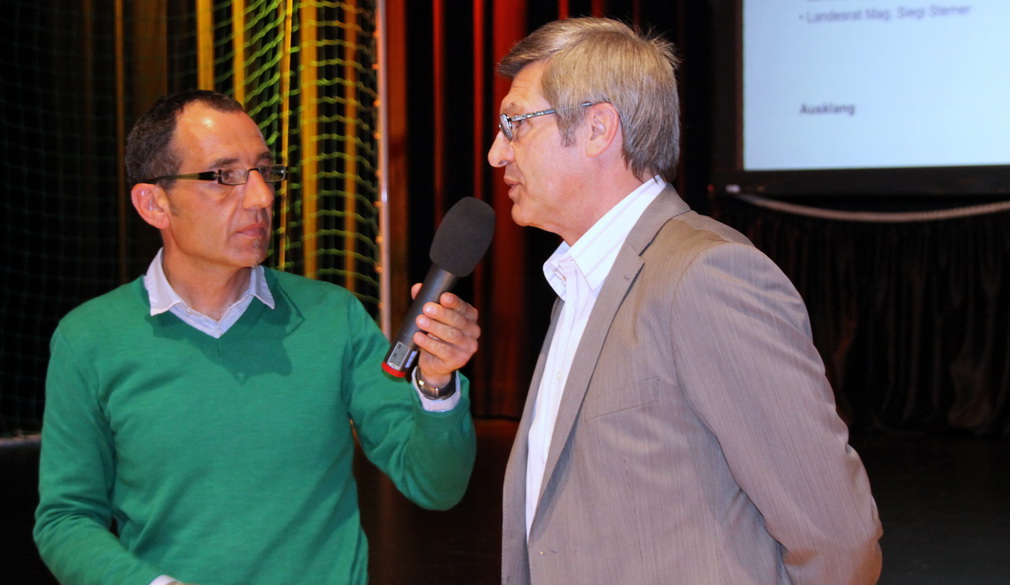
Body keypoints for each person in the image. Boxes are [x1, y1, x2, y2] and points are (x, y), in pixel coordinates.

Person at [487, 17, 883, 585]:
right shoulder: (580, 279)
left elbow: (835, 533)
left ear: (598, 129)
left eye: (517, 123)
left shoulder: (704, 276)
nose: (497, 152)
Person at [34, 89, 479, 585]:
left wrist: (437, 384)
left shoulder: (333, 317)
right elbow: (66, 519)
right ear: (154, 203)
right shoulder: (89, 339)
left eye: (265, 172)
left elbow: (436, 485)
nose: (262, 197)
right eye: (223, 177)